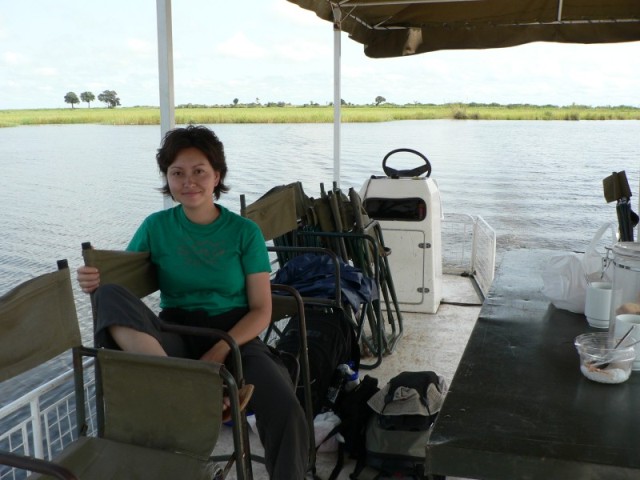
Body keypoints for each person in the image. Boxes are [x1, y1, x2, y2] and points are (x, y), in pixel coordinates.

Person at [77, 124, 309, 479]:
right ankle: (183, 385)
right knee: (107, 296)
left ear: (217, 176)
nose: (189, 181)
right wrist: (94, 280)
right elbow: (120, 288)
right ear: (167, 179)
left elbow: (262, 309)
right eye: (177, 173)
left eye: (199, 171)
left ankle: (195, 386)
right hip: (175, 329)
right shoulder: (155, 226)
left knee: (286, 409)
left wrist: (216, 355)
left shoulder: (244, 232)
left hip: (235, 335)